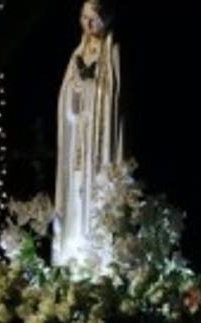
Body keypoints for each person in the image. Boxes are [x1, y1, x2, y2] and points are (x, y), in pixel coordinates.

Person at [54, 0, 127, 274]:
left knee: (95, 191)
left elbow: (113, 96)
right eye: (84, 18)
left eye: (94, 18)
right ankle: (72, 253)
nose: (89, 24)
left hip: (99, 135)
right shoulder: (78, 52)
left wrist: (92, 86)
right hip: (79, 136)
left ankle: (100, 260)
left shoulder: (113, 52)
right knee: (75, 190)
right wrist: (75, 91)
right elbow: (65, 96)